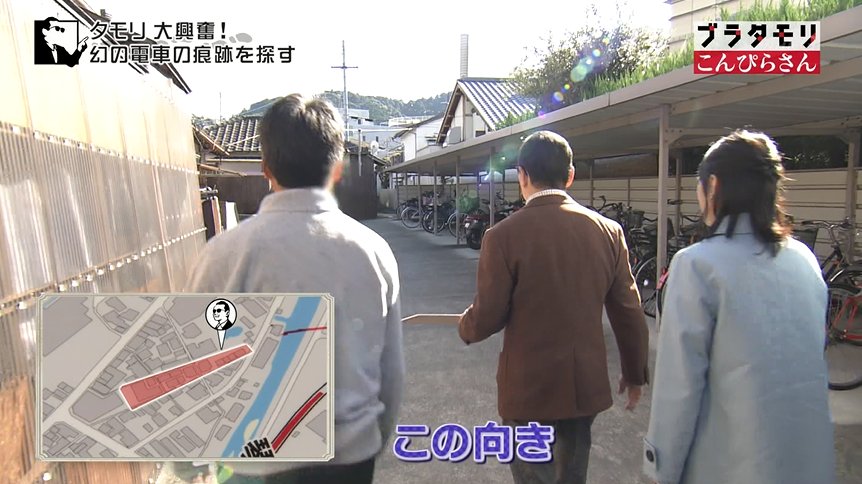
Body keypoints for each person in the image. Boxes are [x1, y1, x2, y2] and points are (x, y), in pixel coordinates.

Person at [186, 94, 404, 483]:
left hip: (253, 462)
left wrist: (190, 463)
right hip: (351, 456)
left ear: (265, 168)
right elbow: (391, 370)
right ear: (338, 168)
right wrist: (376, 438)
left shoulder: (223, 254)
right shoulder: (373, 251)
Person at [643, 130, 835, 484]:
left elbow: (679, 389)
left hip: (729, 467)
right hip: (811, 465)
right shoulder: (804, 260)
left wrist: (658, 470)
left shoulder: (697, 265)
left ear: (713, 186)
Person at [458, 130, 650, 484]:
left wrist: (466, 326)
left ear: (522, 175)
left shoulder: (502, 236)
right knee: (573, 475)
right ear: (570, 175)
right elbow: (629, 310)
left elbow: (488, 316)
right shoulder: (608, 231)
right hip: (582, 388)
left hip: (528, 389)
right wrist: (634, 372)